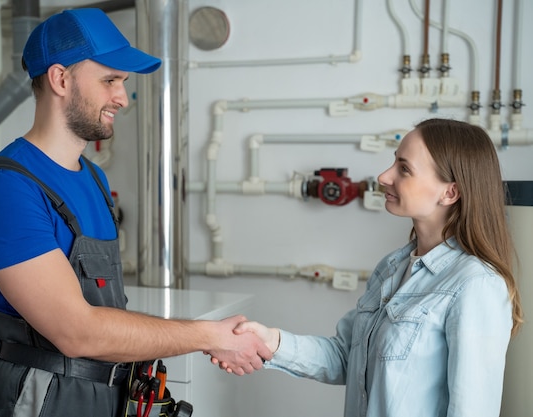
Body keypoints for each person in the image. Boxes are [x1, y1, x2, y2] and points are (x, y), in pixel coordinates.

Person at [0, 8, 271, 417]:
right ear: (60, 79)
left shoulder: (93, 179)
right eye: (110, 80)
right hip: (44, 400)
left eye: (123, 83)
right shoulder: (5, 188)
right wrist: (208, 335)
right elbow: (77, 332)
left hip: (112, 395)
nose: (123, 98)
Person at [222, 118, 523, 417]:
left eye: (404, 169)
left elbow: (472, 410)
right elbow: (346, 356)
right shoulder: (392, 267)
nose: (384, 176)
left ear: (449, 193)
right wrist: (271, 341)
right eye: (394, 163)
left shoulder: (475, 285)